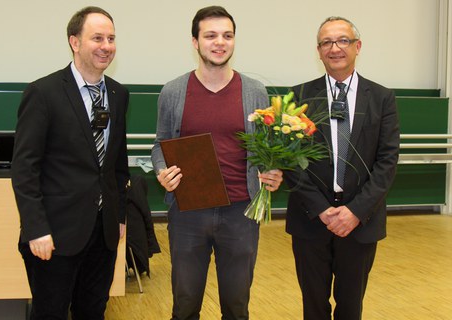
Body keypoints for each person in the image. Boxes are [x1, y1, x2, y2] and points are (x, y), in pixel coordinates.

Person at [151, 6, 283, 320]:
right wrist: (161, 171)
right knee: (185, 305)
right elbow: (160, 145)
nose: (219, 42)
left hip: (240, 212)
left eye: (227, 35)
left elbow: (267, 149)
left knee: (237, 307)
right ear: (195, 42)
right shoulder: (173, 92)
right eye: (210, 35)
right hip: (188, 212)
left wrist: (274, 170)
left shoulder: (254, 91)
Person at [11, 6, 129, 320]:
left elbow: (117, 163)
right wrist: (35, 228)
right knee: (50, 313)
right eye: (98, 38)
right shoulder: (43, 92)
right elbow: (25, 168)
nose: (107, 46)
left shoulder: (118, 94)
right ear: (74, 42)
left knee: (93, 311)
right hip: (54, 233)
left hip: (103, 234)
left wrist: (118, 217)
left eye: (111, 38)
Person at [284, 16, 400, 320]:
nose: (335, 48)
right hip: (311, 220)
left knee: (351, 307)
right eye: (327, 42)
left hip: (361, 222)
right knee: (313, 306)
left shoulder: (382, 98)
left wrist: (355, 212)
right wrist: (322, 209)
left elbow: (387, 162)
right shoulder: (298, 97)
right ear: (318, 50)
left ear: (357, 46)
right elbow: (291, 163)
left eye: (343, 40)